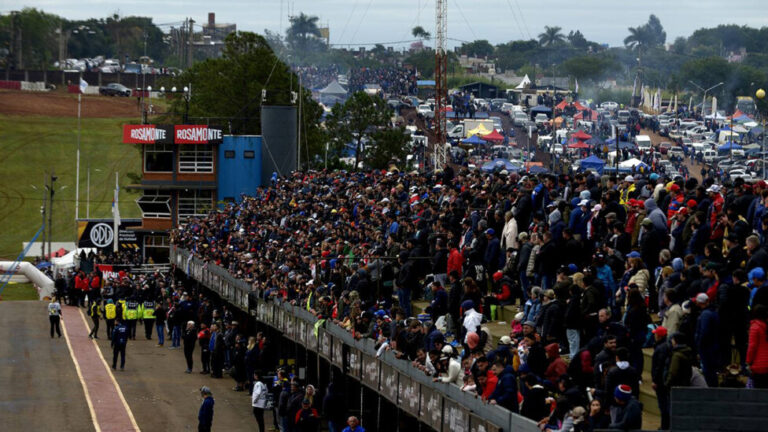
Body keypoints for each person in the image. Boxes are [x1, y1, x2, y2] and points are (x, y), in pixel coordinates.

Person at [747, 305, 768, 388]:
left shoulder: (755, 327)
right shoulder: (765, 326)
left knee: (759, 394)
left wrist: (748, 361)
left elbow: (752, 346)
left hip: (759, 365)